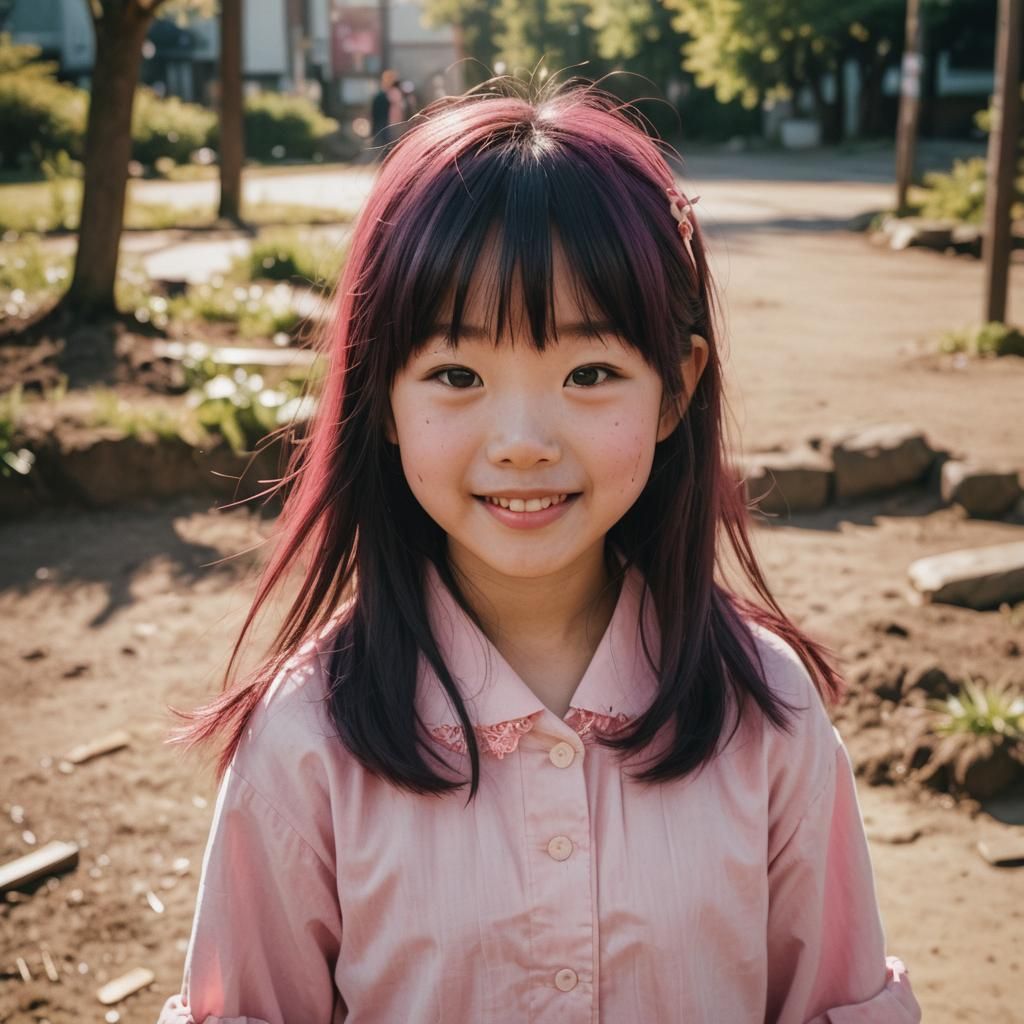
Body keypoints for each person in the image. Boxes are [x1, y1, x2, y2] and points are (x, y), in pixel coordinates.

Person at [156, 75, 922, 1024]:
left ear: (676, 388)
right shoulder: (307, 744)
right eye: (458, 373)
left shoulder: (767, 716)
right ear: (380, 396)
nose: (522, 438)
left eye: (590, 371)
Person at [369, 68, 406, 161]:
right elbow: (375, 114)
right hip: (383, 125)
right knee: (383, 150)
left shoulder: (396, 93)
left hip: (393, 125)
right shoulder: (380, 96)